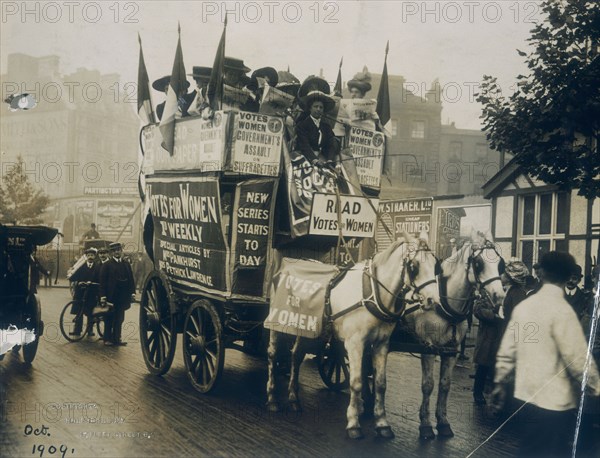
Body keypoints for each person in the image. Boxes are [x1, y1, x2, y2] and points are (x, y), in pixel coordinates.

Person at [492, 251, 600, 458]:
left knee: (529, 449)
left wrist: (499, 382)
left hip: (523, 398)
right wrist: (596, 385)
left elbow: (507, 351)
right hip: (554, 403)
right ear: (568, 276)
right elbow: (577, 358)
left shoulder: (524, 307)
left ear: (541, 273)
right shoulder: (563, 311)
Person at [99, 243, 136, 347]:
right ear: (111, 253)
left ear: (121, 251)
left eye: (118, 250)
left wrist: (132, 293)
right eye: (114, 250)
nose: (117, 252)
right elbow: (102, 282)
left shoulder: (126, 264)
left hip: (122, 297)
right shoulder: (107, 265)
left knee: (120, 318)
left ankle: (117, 338)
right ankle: (107, 338)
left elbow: (131, 280)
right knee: (109, 318)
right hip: (111, 296)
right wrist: (103, 296)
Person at [295, 83, 340, 167]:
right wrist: (314, 160)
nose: (318, 109)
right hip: (304, 158)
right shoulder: (302, 126)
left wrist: (330, 159)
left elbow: (332, 143)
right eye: (315, 106)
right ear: (310, 108)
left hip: (321, 159)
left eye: (321, 107)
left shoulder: (326, 127)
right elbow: (304, 146)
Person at [68, 248, 101, 337]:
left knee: (90, 312)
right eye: (89, 255)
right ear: (86, 257)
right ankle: (77, 330)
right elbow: (72, 277)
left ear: (95, 256)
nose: (90, 257)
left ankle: (89, 330)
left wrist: (93, 283)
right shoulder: (81, 267)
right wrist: (79, 282)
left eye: (92, 255)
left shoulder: (97, 267)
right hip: (80, 293)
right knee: (79, 312)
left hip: (91, 293)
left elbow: (100, 279)